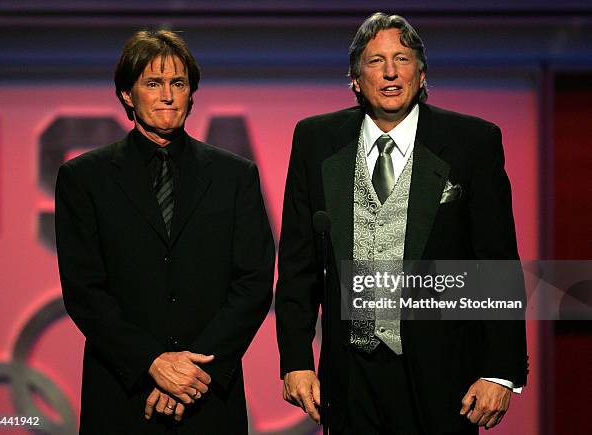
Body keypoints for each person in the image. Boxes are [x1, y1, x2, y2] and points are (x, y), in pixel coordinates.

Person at [275, 13, 528, 435]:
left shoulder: (473, 143)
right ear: (355, 79)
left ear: (422, 73)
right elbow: (298, 266)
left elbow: (496, 264)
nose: (390, 72)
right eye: (376, 61)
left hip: (444, 375)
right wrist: (296, 360)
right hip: (349, 376)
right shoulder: (315, 141)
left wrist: (500, 372)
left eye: (402, 59)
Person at [55, 29, 274, 434]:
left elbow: (254, 282)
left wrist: (193, 371)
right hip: (123, 394)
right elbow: (84, 290)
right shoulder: (84, 178)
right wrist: (151, 363)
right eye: (153, 83)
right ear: (127, 94)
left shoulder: (234, 176)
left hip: (209, 395)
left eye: (178, 83)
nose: (168, 95)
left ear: (192, 93)